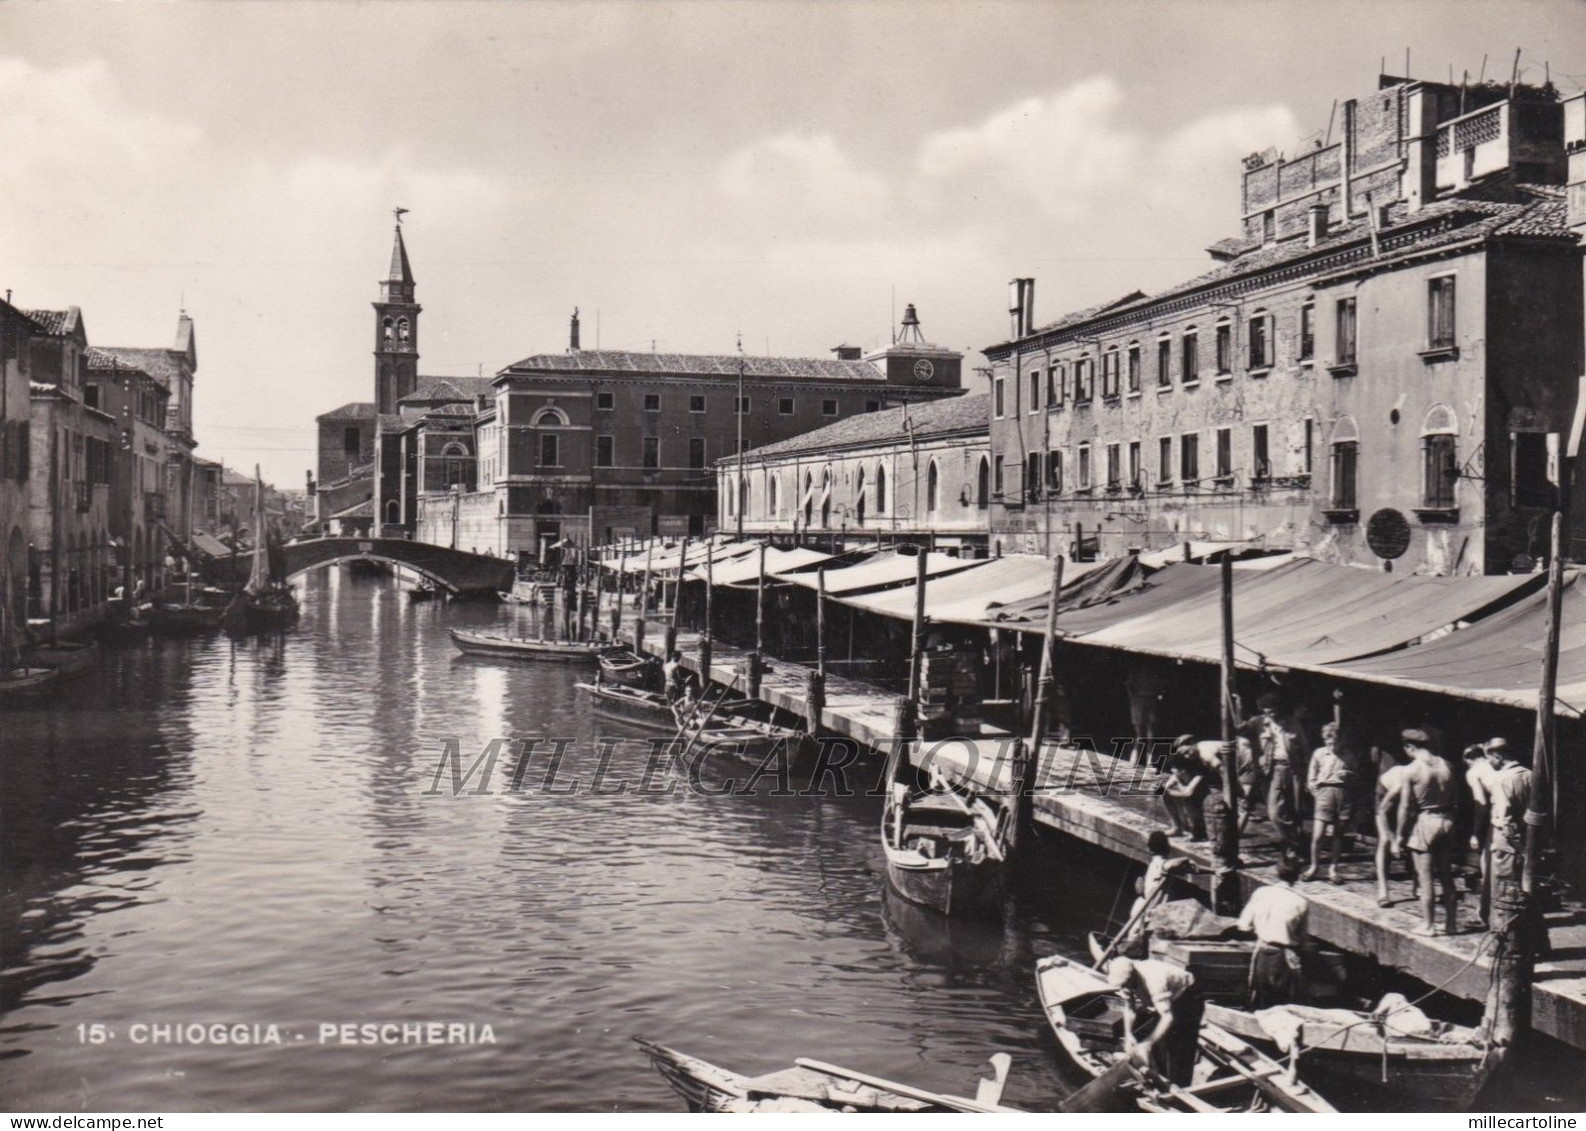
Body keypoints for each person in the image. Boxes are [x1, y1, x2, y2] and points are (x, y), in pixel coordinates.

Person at [1395, 728, 1459, 936]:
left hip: (1427, 821)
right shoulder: (1446, 765)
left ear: (1410, 747)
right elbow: (1455, 798)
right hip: (1448, 820)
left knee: (1426, 876)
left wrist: (1398, 837)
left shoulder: (1411, 770)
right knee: (1447, 875)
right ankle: (1451, 924)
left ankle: (1429, 925)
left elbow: (1404, 806)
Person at [1106, 956, 1202, 1086]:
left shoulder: (1154, 980)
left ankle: (1181, 1088)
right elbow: (1130, 1007)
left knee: (1180, 1044)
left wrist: (1148, 1043)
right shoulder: (1127, 981)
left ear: (1133, 975)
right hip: (1168, 998)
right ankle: (1161, 1079)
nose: (1124, 987)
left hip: (1187, 996)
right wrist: (1128, 1034)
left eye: (1125, 983)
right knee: (1160, 1041)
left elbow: (1168, 1017)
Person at [1237, 854, 1310, 1007]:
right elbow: (1302, 939)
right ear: (1297, 877)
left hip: (1263, 953)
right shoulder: (1301, 902)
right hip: (1284, 958)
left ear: (1277, 873)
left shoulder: (1261, 893)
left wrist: (1262, 926)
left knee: (1262, 999)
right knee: (1284, 1003)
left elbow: (1243, 925)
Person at [1304, 722, 1353, 883]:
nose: (1332, 746)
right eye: (1328, 743)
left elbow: (1357, 778)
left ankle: (1333, 869)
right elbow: (1311, 777)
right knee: (1318, 834)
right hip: (1324, 792)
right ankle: (1314, 866)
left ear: (1341, 740)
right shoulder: (1319, 754)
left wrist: (1348, 775)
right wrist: (1315, 793)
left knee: (1338, 835)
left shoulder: (1348, 755)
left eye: (1335, 743)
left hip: (1342, 793)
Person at [1254, 695, 1303, 849]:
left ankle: (1295, 846)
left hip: (1294, 769)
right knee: (1274, 813)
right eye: (1268, 712)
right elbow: (1238, 729)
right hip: (1274, 769)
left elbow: (1305, 747)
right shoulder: (1260, 722)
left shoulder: (1292, 723)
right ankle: (1292, 841)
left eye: (1274, 711)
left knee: (1295, 809)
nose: (1271, 714)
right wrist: (1237, 704)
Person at [1484, 739, 1532, 889]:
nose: (1488, 763)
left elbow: (1505, 819)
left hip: (1507, 841)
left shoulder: (1501, 780)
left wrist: (1518, 846)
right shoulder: (1528, 774)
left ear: (1498, 756)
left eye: (1489, 758)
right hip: (1526, 836)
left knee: (1503, 887)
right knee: (1522, 884)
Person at [1374, 744, 1414, 908]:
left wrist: (1402, 837)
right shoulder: (1400, 784)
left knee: (1414, 838)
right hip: (1384, 798)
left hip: (1404, 805)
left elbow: (1407, 812)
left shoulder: (1423, 784)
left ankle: (1417, 885)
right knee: (1384, 841)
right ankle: (1383, 890)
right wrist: (1393, 839)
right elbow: (1383, 810)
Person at [1463, 743, 1497, 923]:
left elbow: (1480, 803)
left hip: (1495, 815)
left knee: (1487, 865)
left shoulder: (1473, 772)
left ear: (1468, 760)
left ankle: (1484, 913)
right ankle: (1486, 911)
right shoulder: (1494, 765)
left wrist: (1475, 833)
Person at [1160, 742, 1208, 842]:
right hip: (1189, 802)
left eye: (1175, 769)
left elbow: (1187, 793)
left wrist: (1177, 783)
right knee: (1165, 795)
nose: (1172, 771)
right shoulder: (1177, 776)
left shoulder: (1198, 777)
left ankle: (1195, 832)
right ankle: (1177, 827)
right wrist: (1166, 788)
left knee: (1188, 800)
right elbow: (1166, 788)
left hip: (1201, 807)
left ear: (1183, 770)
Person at [1125, 661, 1169, 766]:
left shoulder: (1156, 673)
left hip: (1151, 700)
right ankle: (1136, 756)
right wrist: (1133, 698)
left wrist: (1160, 696)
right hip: (1138, 701)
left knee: (1151, 731)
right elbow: (1128, 685)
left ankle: (1149, 757)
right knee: (1140, 732)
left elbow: (1162, 687)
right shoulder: (1134, 671)